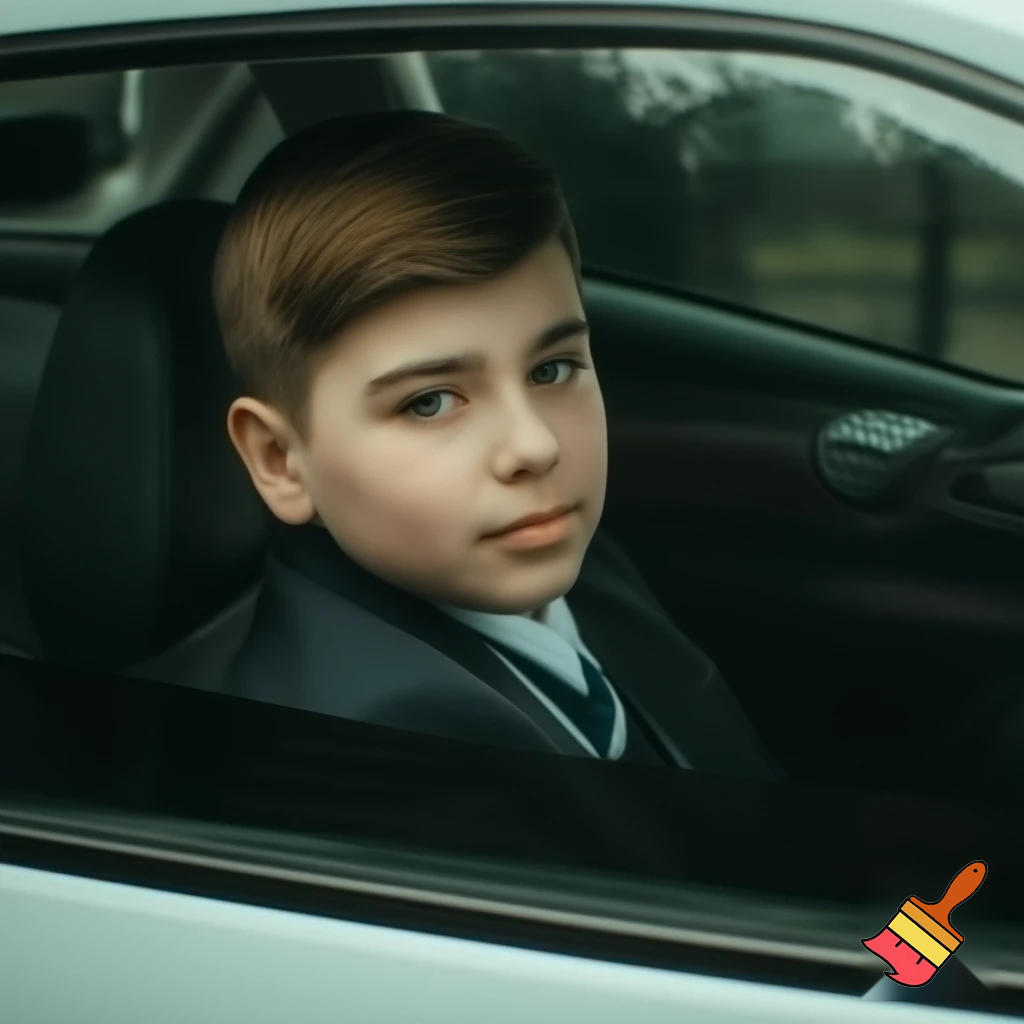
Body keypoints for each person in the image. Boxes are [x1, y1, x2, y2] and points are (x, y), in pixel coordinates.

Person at [213, 109, 780, 779]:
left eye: (552, 370)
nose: (534, 446)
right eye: (429, 402)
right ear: (281, 461)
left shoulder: (570, 565)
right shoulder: (385, 754)